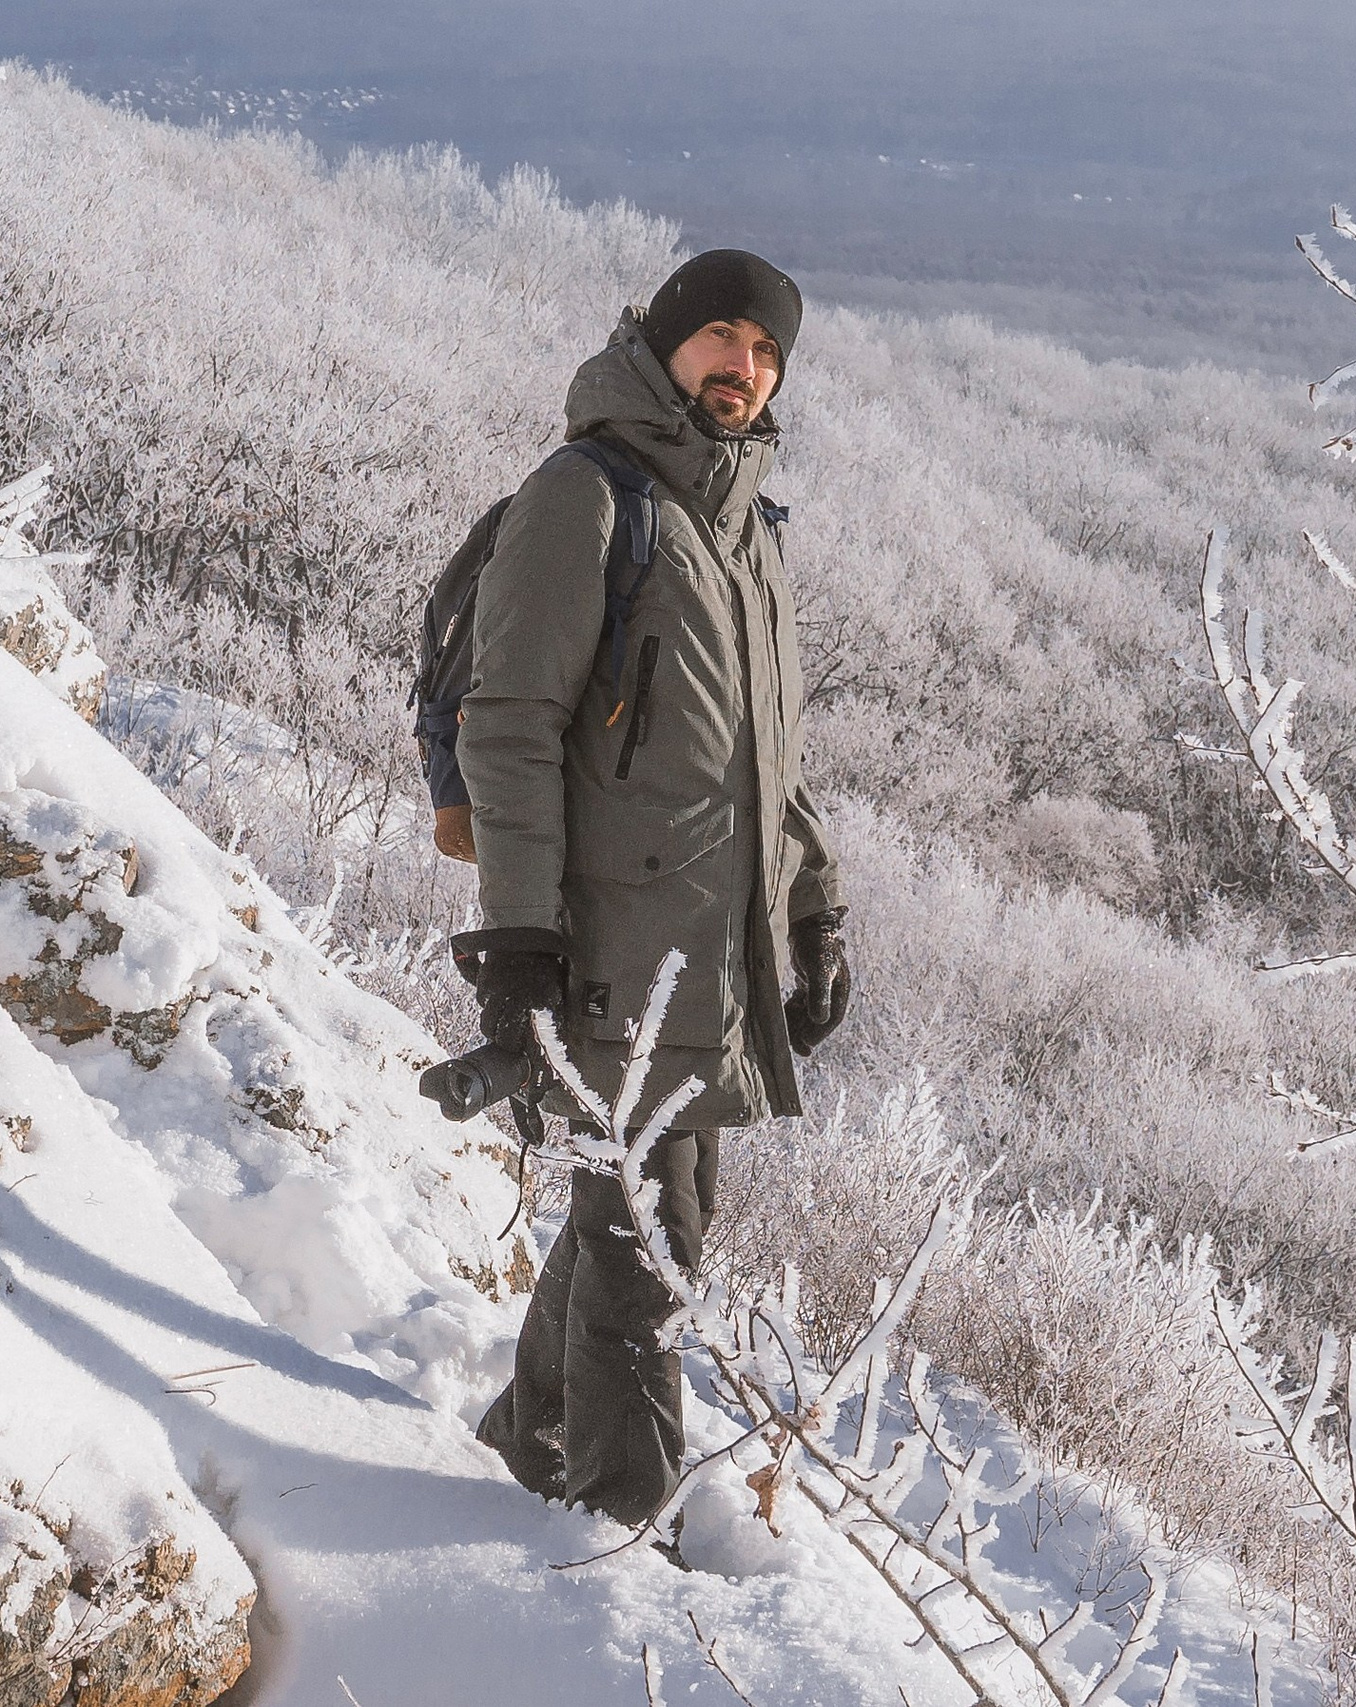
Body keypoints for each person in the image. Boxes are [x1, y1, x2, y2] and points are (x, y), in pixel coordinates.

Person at [459, 250, 849, 1526]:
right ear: (666, 342)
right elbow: (507, 725)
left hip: (710, 953)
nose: (745, 370)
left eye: (768, 353)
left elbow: (764, 761)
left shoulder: (741, 527)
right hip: (609, 948)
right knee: (650, 1248)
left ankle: (532, 1435)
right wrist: (516, 942)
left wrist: (811, 910)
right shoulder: (585, 497)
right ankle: (611, 1534)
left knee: (635, 1217)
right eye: (725, 339)